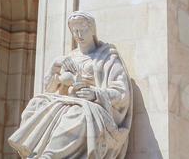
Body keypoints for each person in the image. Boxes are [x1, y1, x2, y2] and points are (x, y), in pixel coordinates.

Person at [8, 12, 131, 159]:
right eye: (75, 31)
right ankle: (33, 152)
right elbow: (50, 89)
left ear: (92, 30)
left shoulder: (107, 57)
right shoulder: (69, 58)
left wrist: (95, 94)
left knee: (77, 113)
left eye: (82, 30)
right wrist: (58, 77)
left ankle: (49, 155)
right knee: (37, 103)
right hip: (66, 101)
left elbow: (122, 93)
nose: (78, 35)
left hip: (92, 106)